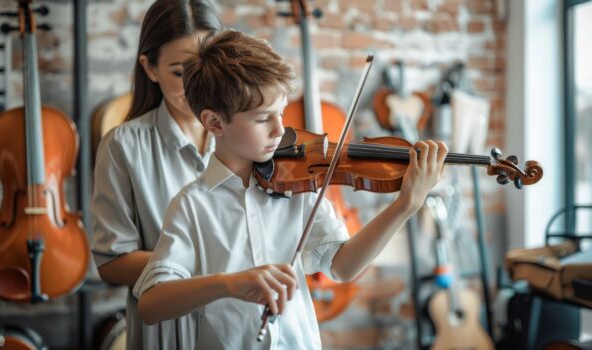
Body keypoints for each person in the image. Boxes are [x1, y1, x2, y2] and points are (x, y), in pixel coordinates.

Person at [133, 30, 448, 349]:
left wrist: (405, 205)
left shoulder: (299, 186)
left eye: (281, 113)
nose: (280, 129)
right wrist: (228, 284)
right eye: (262, 119)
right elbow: (151, 304)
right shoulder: (192, 205)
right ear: (215, 123)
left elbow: (343, 267)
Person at [91, 1, 222, 349]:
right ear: (150, 68)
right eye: (180, 72)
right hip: (167, 332)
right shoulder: (122, 146)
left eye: (206, 67)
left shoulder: (244, 135)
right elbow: (112, 262)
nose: (198, 86)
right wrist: (219, 273)